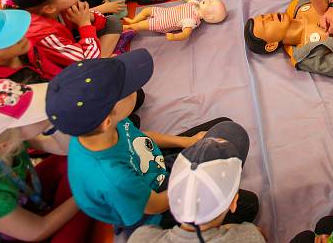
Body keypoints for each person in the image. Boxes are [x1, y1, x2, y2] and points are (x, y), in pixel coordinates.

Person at [45, 49, 251, 231]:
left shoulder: (96, 127)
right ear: (107, 120)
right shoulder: (114, 179)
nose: (135, 89)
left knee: (226, 130)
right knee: (248, 205)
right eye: (127, 90)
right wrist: (194, 182)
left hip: (157, 167)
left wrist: (185, 143)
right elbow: (156, 204)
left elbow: (140, 140)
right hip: (156, 208)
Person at [0, 79, 90, 242]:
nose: (47, 107)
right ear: (3, 144)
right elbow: (37, 232)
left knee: (77, 163)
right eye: (31, 114)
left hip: (17, 201)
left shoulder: (0, 142)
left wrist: (49, 124)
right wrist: (85, 196)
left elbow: (65, 149)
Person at [128, 120, 262, 243]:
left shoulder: (140, 237)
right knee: (251, 204)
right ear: (233, 203)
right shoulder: (249, 236)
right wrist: (229, 228)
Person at [10, 0, 123, 71]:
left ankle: (102, 62)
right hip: (61, 74)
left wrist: (88, 16)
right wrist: (84, 24)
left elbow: (102, 22)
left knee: (112, 22)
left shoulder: (57, 8)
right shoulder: (43, 34)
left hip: (71, 47)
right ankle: (101, 66)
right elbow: (85, 62)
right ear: (49, 8)